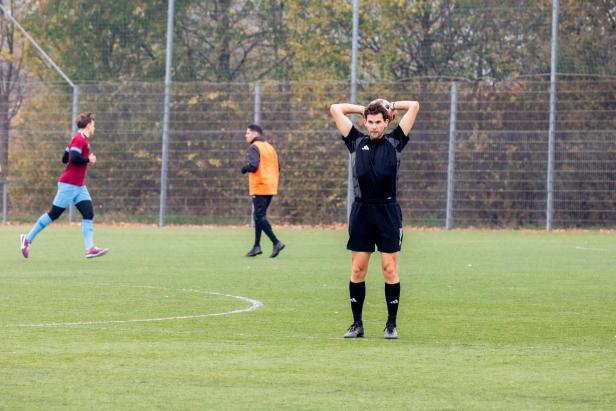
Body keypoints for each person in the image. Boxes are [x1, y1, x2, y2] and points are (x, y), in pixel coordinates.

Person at [330, 98, 420, 339]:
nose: (373, 126)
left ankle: (391, 324)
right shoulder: (356, 141)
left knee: (389, 269)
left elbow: (414, 106)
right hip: (362, 212)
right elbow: (335, 109)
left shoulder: (395, 141)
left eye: (378, 122)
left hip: (388, 212)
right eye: (369, 122)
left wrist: (391, 106)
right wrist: (363, 108)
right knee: (358, 269)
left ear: (386, 122)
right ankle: (357, 324)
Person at [20, 112, 108, 259]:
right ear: (88, 125)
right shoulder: (79, 139)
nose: (94, 127)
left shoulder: (79, 139)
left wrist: (84, 160)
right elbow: (73, 158)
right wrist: (88, 159)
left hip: (79, 185)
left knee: (88, 212)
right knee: (54, 214)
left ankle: (90, 248)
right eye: (93, 124)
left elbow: (64, 158)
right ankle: (27, 239)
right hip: (69, 184)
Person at [241, 124, 285, 258]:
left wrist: (244, 168)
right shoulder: (270, 147)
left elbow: (253, 166)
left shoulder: (254, 147)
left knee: (259, 217)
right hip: (270, 186)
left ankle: (276, 242)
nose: (246, 135)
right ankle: (256, 246)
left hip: (259, 186)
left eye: (248, 133)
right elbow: (279, 167)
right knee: (258, 217)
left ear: (255, 134)